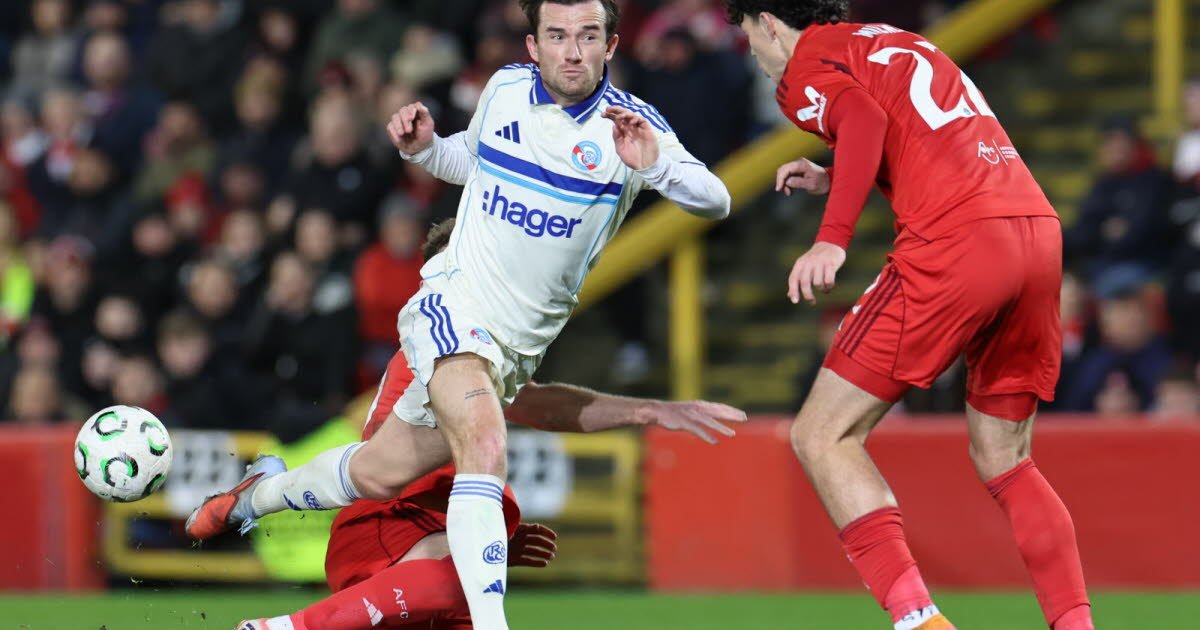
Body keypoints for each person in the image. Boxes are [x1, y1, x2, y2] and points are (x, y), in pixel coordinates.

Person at [188, 2, 732, 628]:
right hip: (452, 306)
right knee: (485, 440)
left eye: (588, 36)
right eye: (557, 36)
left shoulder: (632, 126)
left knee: (378, 473)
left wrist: (654, 164)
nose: (572, 51)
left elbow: (715, 201)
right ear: (534, 44)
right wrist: (426, 151)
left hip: (512, 350)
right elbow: (471, 160)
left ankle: (252, 497)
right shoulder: (505, 90)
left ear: (610, 45)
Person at [725, 2, 1091, 629]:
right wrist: (836, 173)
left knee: (821, 435)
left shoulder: (806, 64)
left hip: (957, 242)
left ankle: (921, 623)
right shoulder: (889, 39)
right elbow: (917, 127)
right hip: (1034, 230)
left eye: (747, 37)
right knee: (1005, 457)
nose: (753, 55)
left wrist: (831, 238)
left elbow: (863, 118)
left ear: (769, 22)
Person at [237, 220, 746, 630]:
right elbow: (539, 406)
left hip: (419, 532)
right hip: (389, 525)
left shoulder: (473, 356)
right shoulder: (435, 349)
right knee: (461, 581)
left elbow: (538, 402)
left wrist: (647, 411)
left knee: (465, 589)